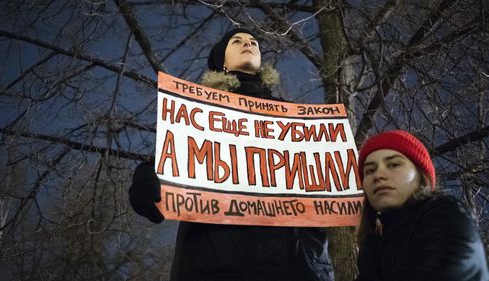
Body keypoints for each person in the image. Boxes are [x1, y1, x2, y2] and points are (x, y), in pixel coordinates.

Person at [129, 28, 334, 281]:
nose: (247, 43)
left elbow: (329, 173)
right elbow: (171, 157)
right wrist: (145, 176)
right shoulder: (199, 115)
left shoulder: (295, 118)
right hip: (219, 259)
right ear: (221, 61)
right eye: (236, 41)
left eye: (253, 42)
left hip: (296, 262)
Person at [355, 130, 489, 281]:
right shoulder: (374, 245)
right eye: (370, 170)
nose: (378, 175)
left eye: (393, 165)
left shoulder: (446, 216)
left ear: (420, 176)